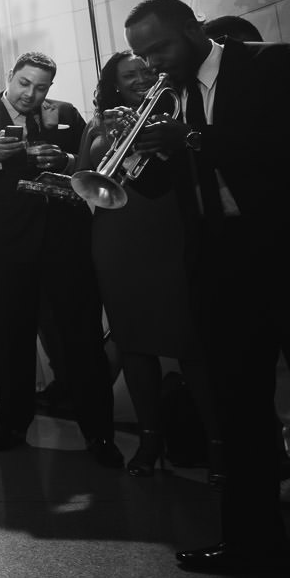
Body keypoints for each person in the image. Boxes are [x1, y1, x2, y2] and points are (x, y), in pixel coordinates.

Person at [124, 0, 290, 578]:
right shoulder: (173, 94)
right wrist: (137, 149)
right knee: (238, 409)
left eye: (159, 48)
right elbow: (159, 187)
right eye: (141, 55)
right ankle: (253, 540)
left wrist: (189, 139)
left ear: (193, 29)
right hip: (221, 265)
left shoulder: (278, 64)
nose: (153, 63)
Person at [0, 51, 120, 466]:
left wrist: (68, 161)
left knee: (81, 337)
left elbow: (91, 162)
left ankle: (99, 434)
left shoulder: (67, 114)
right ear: (11, 76)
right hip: (9, 246)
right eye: (25, 84)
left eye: (40, 87)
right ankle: (12, 425)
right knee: (10, 336)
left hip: (66, 242)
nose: (30, 94)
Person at [78, 52, 216, 476]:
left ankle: (217, 444)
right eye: (129, 75)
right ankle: (149, 440)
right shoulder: (101, 119)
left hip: (170, 227)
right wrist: (103, 132)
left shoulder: (179, 108)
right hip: (117, 234)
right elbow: (84, 177)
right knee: (133, 341)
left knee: (191, 340)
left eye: (146, 71)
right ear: (114, 83)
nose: (140, 79)